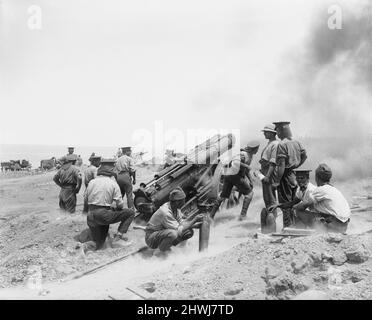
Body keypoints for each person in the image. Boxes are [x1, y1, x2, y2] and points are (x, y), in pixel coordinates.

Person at [85, 159, 135, 250]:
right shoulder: (112, 183)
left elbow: (85, 199)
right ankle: (118, 239)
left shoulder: (92, 182)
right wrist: (114, 208)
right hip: (103, 215)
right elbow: (120, 204)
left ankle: (84, 246)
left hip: (90, 215)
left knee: (99, 243)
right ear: (111, 173)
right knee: (130, 212)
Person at [289, 164, 351, 233]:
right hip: (344, 226)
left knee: (297, 211)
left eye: (302, 178)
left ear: (316, 177)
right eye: (298, 178)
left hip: (333, 226)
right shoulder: (334, 189)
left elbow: (302, 206)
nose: (299, 180)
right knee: (317, 213)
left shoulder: (320, 190)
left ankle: (299, 234)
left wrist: (294, 207)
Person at [209, 140, 260, 221]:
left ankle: (211, 216)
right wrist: (246, 166)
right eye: (257, 149)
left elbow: (245, 170)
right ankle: (242, 216)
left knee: (223, 196)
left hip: (229, 175)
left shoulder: (248, 155)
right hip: (234, 176)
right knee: (249, 194)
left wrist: (250, 180)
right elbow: (236, 163)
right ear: (254, 149)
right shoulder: (243, 155)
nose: (257, 150)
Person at [145, 187, 203, 256]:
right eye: (183, 201)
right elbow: (179, 229)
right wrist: (194, 220)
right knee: (173, 234)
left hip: (160, 234)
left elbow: (181, 223)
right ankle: (158, 253)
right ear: (177, 202)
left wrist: (195, 225)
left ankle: (178, 249)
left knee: (188, 231)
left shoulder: (175, 208)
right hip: (151, 238)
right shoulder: (165, 212)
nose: (184, 202)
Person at [274, 121, 307, 228]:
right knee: (294, 202)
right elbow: (305, 156)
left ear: (283, 131)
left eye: (278, 130)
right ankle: (295, 225)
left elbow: (281, 166)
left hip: (285, 176)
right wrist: (297, 165)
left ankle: (287, 227)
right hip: (294, 176)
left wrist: (277, 181)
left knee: (285, 204)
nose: (276, 132)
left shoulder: (282, 144)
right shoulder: (297, 142)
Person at [259, 124, 280, 233]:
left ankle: (272, 226)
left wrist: (267, 176)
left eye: (266, 132)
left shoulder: (275, 144)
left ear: (273, 133)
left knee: (271, 201)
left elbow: (273, 162)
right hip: (265, 172)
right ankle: (268, 227)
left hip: (269, 174)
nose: (264, 133)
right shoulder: (270, 143)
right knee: (267, 199)